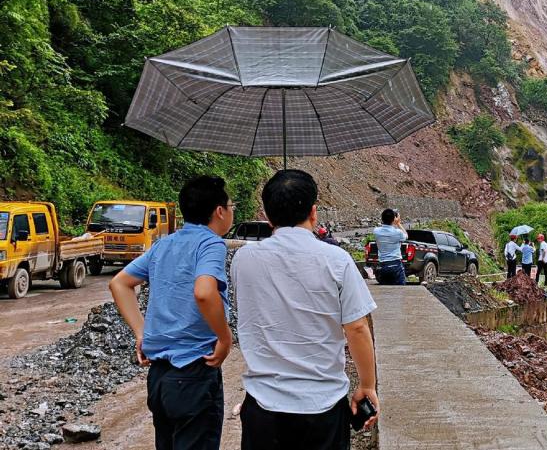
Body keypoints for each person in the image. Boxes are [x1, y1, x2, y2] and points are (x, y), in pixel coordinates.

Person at [231, 170, 379, 450]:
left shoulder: (243, 259)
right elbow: (357, 327)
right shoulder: (336, 260)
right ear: (314, 212)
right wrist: (367, 385)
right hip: (321, 405)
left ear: (266, 213)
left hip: (264, 406)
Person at [109, 175, 234, 450]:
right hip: (194, 371)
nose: (231, 211)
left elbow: (119, 283)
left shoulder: (163, 245)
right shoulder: (210, 244)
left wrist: (141, 333)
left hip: (160, 378)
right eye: (231, 205)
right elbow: (204, 292)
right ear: (219, 211)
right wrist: (225, 339)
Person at [373, 208, 407, 285]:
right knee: (401, 291)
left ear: (382, 219)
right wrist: (398, 223)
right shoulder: (397, 232)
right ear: (394, 219)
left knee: (386, 292)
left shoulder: (376, 231)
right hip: (396, 265)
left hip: (382, 266)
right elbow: (406, 236)